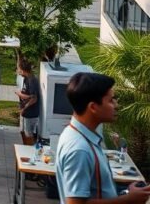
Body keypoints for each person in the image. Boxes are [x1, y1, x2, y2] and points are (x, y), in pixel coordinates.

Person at [55, 72, 150, 203]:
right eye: (111, 100)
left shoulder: (81, 136)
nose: (116, 105)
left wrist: (124, 194)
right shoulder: (79, 149)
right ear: (93, 107)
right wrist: (128, 200)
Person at [16, 59, 40, 145]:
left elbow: (34, 98)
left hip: (30, 113)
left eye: (18, 68)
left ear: (22, 69)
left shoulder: (32, 80)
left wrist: (24, 108)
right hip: (25, 112)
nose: (17, 70)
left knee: (28, 135)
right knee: (23, 133)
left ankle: (30, 152)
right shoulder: (26, 78)